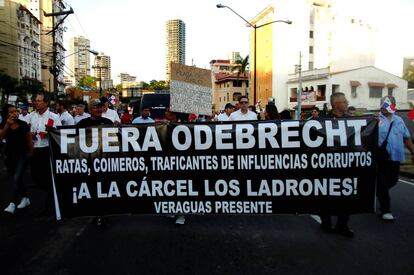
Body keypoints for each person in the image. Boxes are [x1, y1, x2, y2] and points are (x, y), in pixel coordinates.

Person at [319, 92, 354, 237]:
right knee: (327, 195)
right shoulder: (322, 121)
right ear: (335, 104)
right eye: (344, 101)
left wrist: (374, 121)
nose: (347, 103)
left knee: (345, 195)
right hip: (327, 166)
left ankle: (343, 224)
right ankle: (326, 222)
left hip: (345, 165)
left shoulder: (351, 120)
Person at [377, 96, 414, 221]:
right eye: (383, 103)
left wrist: (413, 152)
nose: (384, 106)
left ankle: (379, 191)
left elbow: (406, 138)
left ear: (393, 105)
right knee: (382, 184)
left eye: (387, 103)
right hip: (380, 159)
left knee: (392, 181)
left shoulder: (399, 120)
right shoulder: (375, 120)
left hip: (396, 158)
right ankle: (385, 210)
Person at [28, 93, 61, 216]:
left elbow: (58, 134)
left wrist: (50, 133)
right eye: (35, 101)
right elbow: (30, 132)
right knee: (37, 177)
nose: (36, 103)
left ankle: (49, 205)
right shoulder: (32, 116)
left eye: (39, 101)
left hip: (47, 149)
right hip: (36, 149)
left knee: (47, 177)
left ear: (46, 103)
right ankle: (49, 194)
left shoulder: (53, 117)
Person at [1, 104, 33, 214]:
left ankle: (12, 204)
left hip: (22, 156)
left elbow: (29, 141)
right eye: (11, 112)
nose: (14, 113)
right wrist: (6, 125)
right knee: (17, 179)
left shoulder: (23, 125)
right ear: (6, 114)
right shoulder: (4, 124)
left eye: (15, 111)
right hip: (10, 156)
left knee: (16, 178)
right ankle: (25, 198)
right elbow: (1, 137)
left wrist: (31, 154)